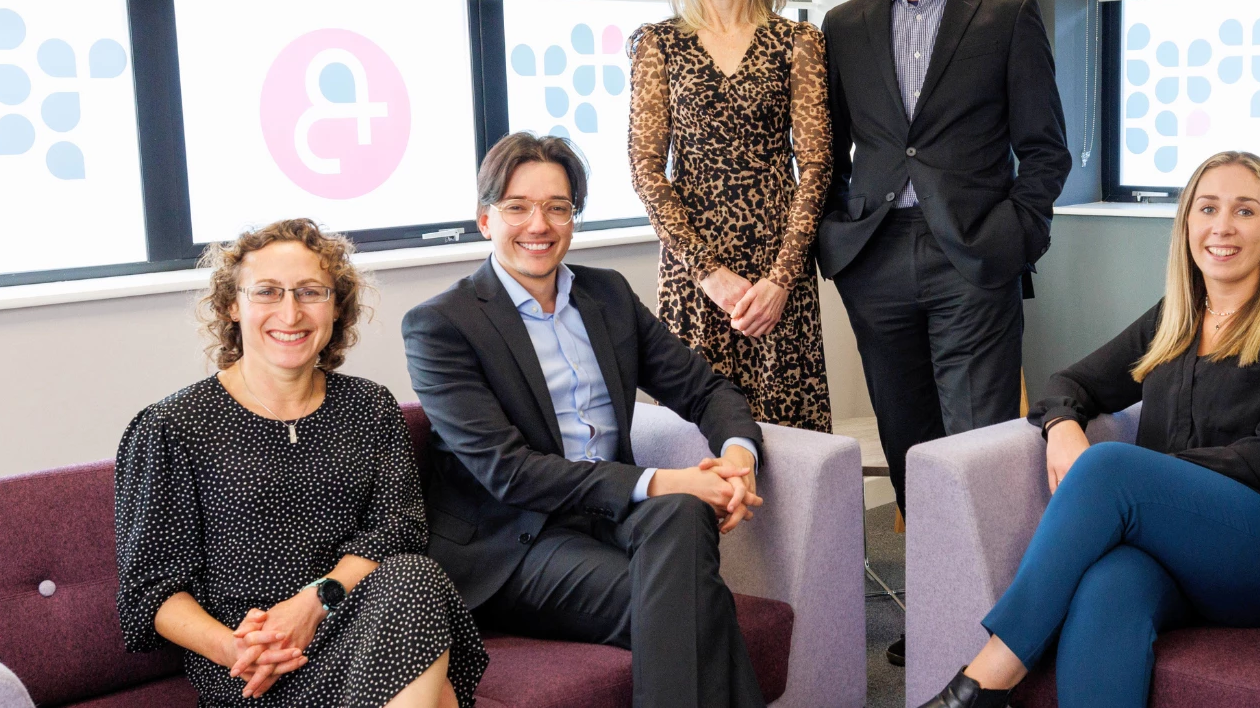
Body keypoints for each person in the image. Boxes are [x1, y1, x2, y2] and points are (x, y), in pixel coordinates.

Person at [916, 153, 1260, 708]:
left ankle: (987, 677)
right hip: (1168, 555)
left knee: (1111, 466)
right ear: (1187, 223)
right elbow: (1069, 382)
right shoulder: (1175, 318)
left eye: (1245, 211)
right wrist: (1063, 425)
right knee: (1107, 584)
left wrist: (1142, 485)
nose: (1222, 226)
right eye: (1207, 208)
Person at [403, 132, 769, 708]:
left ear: (575, 218)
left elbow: (706, 390)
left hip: (609, 514)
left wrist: (738, 459)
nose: (538, 225)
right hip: (515, 540)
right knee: (688, 597)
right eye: (517, 207)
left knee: (680, 514)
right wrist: (665, 479)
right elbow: (508, 472)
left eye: (557, 207)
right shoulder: (441, 325)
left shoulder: (608, 296)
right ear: (484, 220)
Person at [114, 218, 487, 708]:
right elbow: (151, 589)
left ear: (336, 307)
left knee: (414, 577)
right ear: (232, 304)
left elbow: (398, 532)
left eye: (311, 292)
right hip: (254, 664)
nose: (290, 313)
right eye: (267, 292)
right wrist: (239, 648)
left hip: (361, 626)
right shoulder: (172, 426)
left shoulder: (370, 408)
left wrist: (314, 602)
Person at [819, 0, 1070, 527]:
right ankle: (933, 616)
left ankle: (986, 620)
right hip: (875, 259)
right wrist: (840, 233)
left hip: (974, 258)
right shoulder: (843, 26)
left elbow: (1045, 150)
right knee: (907, 441)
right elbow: (826, 148)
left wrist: (1014, 239)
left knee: (976, 445)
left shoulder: (1008, 13)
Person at [630, 0, 832, 433]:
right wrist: (708, 273)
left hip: (777, 265)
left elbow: (815, 166)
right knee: (697, 435)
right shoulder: (658, 44)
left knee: (788, 438)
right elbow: (647, 171)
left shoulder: (799, 42)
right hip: (694, 271)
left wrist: (782, 278)